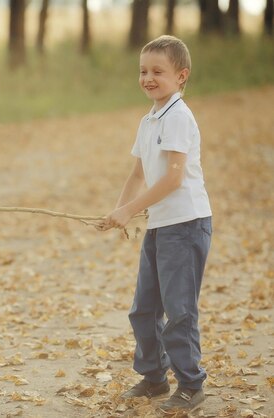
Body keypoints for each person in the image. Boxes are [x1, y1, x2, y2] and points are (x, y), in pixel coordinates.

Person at [97, 35, 212, 414]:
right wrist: (119, 211)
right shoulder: (149, 119)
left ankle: (191, 385)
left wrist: (131, 209)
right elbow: (139, 174)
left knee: (179, 310)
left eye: (157, 71)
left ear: (181, 76)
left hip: (186, 224)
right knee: (143, 309)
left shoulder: (178, 116)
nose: (148, 78)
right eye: (143, 71)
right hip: (161, 227)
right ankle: (154, 377)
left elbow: (173, 179)